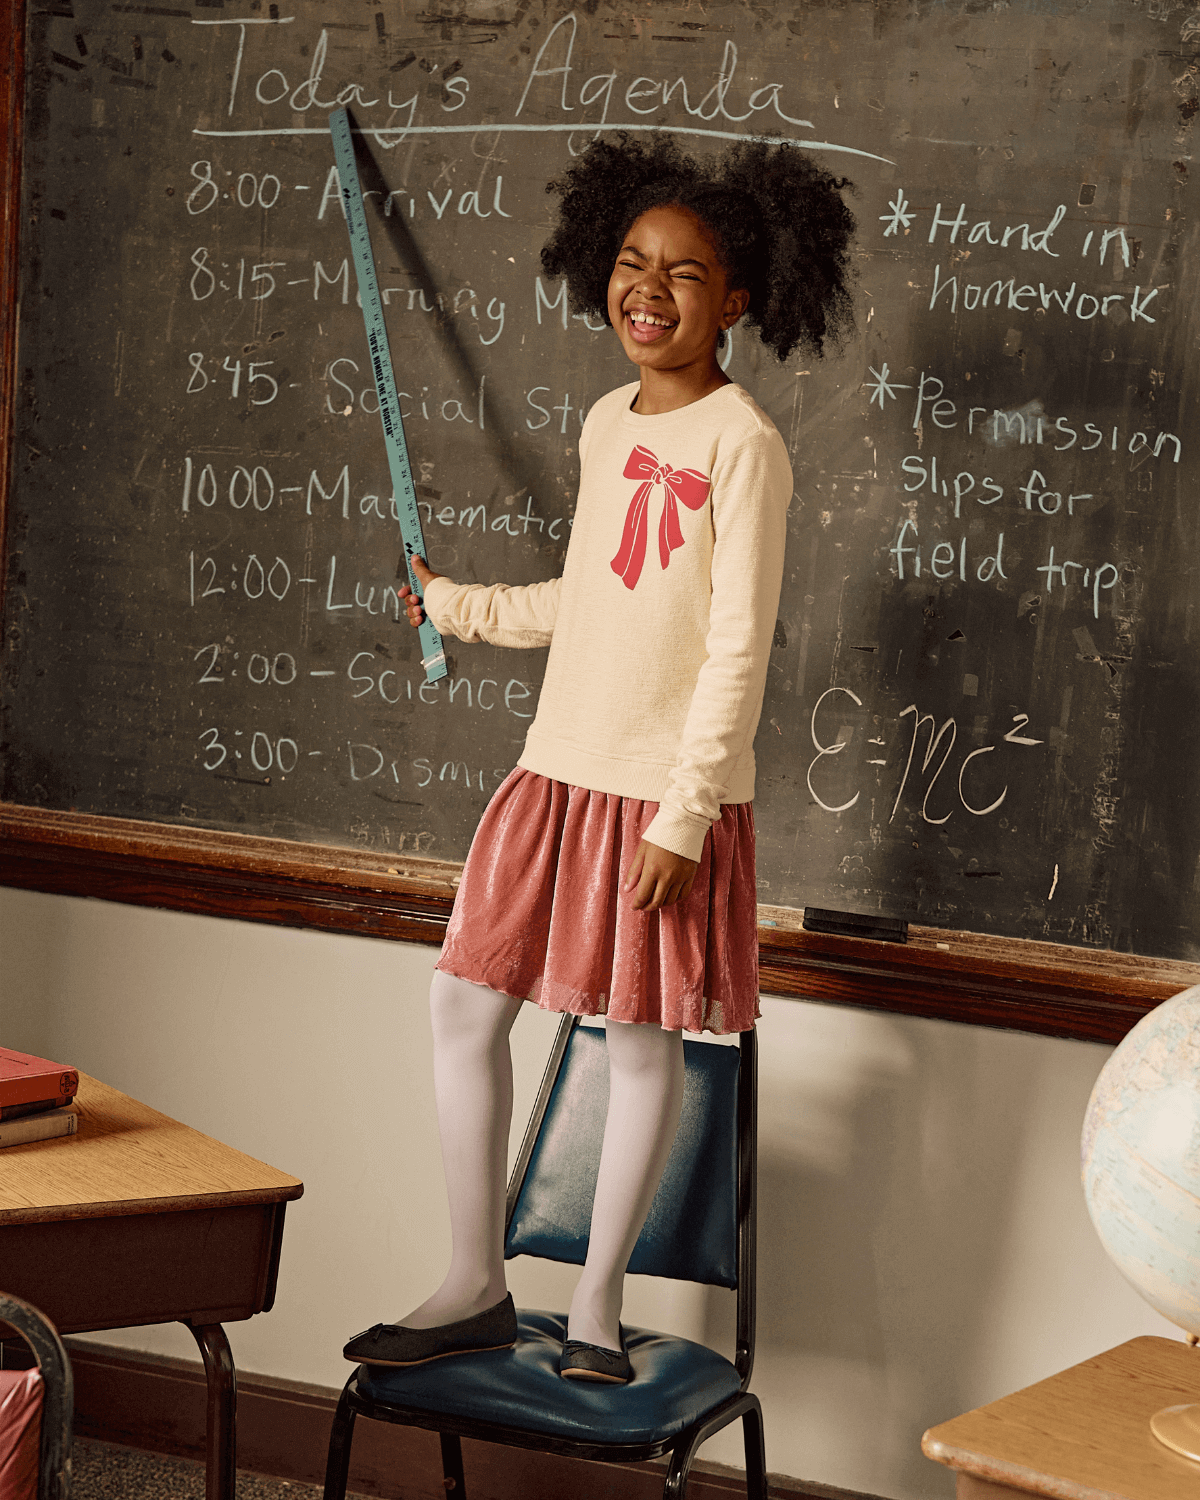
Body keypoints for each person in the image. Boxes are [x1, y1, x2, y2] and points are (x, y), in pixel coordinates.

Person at [343, 133, 855, 1385]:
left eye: (687, 274)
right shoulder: (603, 420)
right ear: (599, 271)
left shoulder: (746, 445)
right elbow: (597, 596)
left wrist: (685, 815)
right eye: (633, 263)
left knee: (637, 1042)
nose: (651, 289)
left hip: (659, 799)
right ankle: (473, 1279)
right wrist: (457, 603)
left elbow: (736, 649)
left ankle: (593, 1311)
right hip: (557, 771)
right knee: (463, 1006)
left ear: (739, 300)